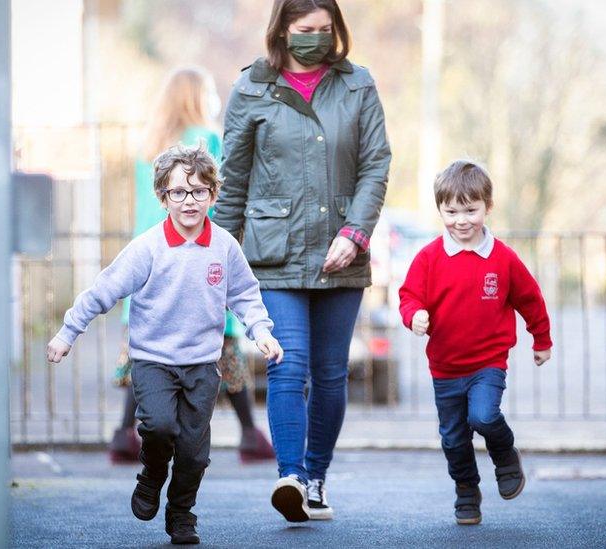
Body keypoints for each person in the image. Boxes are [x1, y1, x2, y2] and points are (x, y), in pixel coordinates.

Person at [47, 146, 284, 545]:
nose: (188, 201)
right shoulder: (147, 248)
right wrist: (68, 331)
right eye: (178, 192)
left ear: (213, 194)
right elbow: (104, 290)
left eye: (198, 191)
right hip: (153, 360)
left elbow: (245, 295)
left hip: (202, 364)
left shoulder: (224, 247)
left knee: (194, 450)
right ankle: (152, 473)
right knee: (158, 426)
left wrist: (261, 332)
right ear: (163, 197)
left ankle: (181, 512)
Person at [214, 0, 391, 523]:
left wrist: (356, 234)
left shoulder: (358, 84)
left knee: (332, 374)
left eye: (325, 29)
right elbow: (234, 179)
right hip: (274, 253)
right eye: (305, 30)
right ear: (283, 30)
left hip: (342, 253)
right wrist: (216, 257)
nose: (317, 38)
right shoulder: (252, 88)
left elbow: (376, 164)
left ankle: (316, 477)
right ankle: (289, 476)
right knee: (287, 364)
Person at [108, 67, 276, 465]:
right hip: (195, 260)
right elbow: (216, 203)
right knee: (223, 347)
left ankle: (122, 433)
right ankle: (251, 435)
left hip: (150, 261)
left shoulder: (147, 149)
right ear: (196, 98)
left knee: (147, 353)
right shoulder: (206, 142)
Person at [398, 160, 552, 525]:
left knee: (483, 416)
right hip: (445, 367)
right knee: (453, 440)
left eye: (471, 210)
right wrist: (414, 315)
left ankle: (505, 454)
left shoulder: (503, 258)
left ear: (488, 207)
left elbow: (530, 299)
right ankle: (467, 491)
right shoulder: (429, 257)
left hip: (488, 362)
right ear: (440, 210)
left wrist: (541, 339)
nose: (461, 220)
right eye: (451, 211)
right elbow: (408, 296)